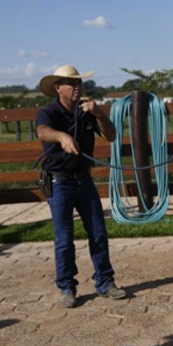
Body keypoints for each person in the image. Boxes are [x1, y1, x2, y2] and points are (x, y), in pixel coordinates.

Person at [35, 64, 127, 308]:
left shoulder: (88, 111)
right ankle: (67, 286)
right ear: (58, 88)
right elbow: (42, 131)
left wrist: (99, 114)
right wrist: (62, 137)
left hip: (84, 180)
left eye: (79, 83)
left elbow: (111, 136)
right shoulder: (49, 112)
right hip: (59, 183)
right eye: (71, 83)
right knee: (64, 238)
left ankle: (105, 282)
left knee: (98, 232)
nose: (77, 87)